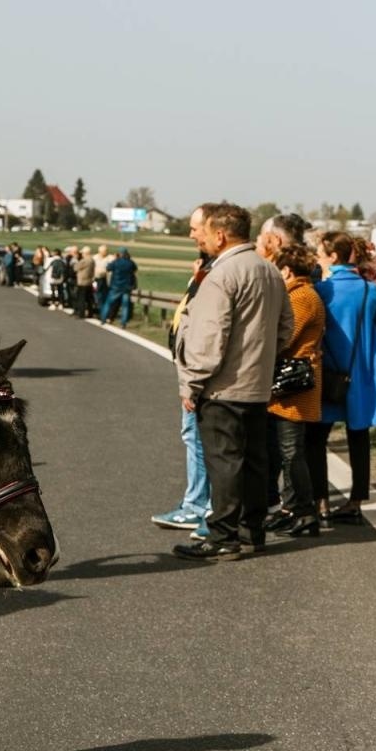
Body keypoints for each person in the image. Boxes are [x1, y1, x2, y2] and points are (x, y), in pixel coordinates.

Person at [171, 202, 293, 561]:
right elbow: (285, 326)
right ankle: (251, 532)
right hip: (257, 385)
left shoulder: (222, 275)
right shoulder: (268, 271)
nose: (201, 239)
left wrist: (191, 383)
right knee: (255, 462)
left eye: (204, 232)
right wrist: (263, 358)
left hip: (222, 386)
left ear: (220, 235)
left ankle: (223, 535)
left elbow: (209, 337)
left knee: (224, 462)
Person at [308, 231, 376, 524]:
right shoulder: (369, 291)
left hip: (328, 373)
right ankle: (355, 503)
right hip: (362, 373)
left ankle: (321, 502)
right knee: (359, 436)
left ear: (332, 257)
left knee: (315, 438)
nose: (316, 258)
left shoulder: (322, 290)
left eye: (319, 253)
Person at [152, 226, 214, 540]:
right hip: (192, 373)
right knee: (194, 439)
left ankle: (199, 505)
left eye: (195, 229)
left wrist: (193, 382)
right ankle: (198, 502)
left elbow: (205, 333)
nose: (191, 235)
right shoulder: (202, 280)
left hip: (201, 378)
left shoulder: (209, 281)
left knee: (199, 442)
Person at [262, 243, 326, 537]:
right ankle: (291, 510)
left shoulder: (301, 297)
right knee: (286, 452)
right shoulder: (298, 294)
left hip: (293, 387)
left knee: (291, 453)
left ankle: (304, 513)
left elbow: (283, 339)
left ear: (287, 270)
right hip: (288, 385)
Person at [99, 247, 138, 327]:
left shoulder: (116, 262)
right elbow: (135, 269)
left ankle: (103, 319)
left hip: (115, 286)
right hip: (126, 288)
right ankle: (123, 323)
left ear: (119, 254)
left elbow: (108, 268)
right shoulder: (130, 263)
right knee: (125, 306)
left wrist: (115, 259)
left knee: (108, 303)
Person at [73, 245, 97, 319]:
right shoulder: (92, 260)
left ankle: (81, 314)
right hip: (89, 281)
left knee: (81, 299)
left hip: (82, 282)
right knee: (89, 299)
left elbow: (75, 268)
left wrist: (76, 259)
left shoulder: (84, 260)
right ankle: (90, 312)